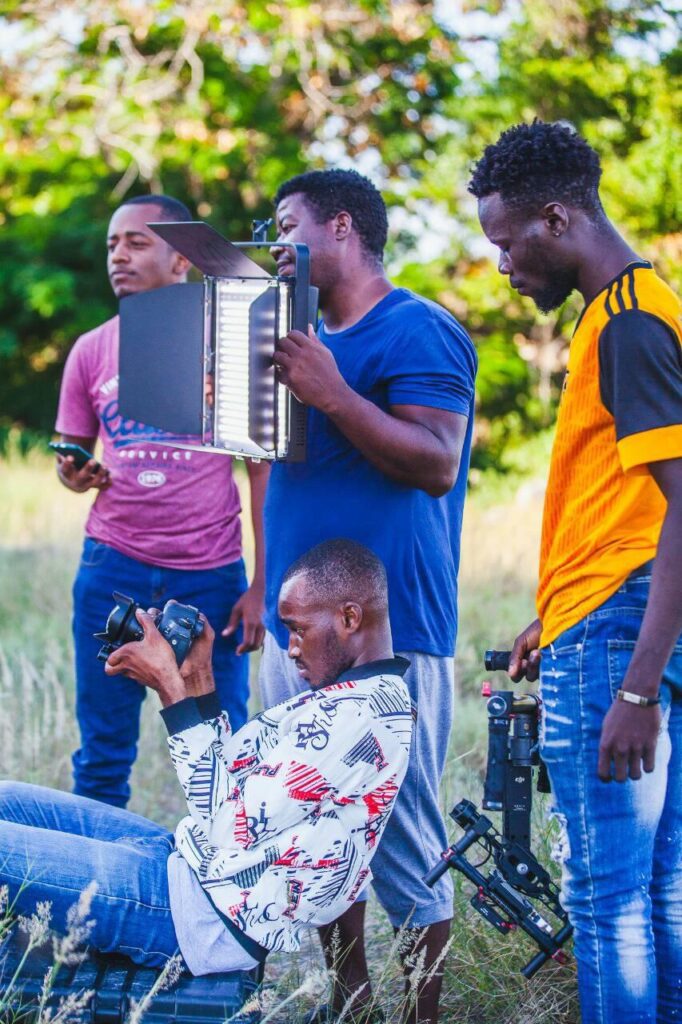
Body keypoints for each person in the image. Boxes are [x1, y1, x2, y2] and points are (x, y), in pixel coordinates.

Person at [469, 120, 682, 1023]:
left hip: (622, 639)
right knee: (659, 886)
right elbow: (628, 508)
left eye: (508, 242)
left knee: (606, 898)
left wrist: (636, 688)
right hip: (615, 614)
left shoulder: (629, 322)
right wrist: (551, 614)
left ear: (557, 219)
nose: (503, 266)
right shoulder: (632, 306)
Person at [263, 169, 477, 1024]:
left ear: (342, 227)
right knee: (319, 832)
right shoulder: (296, 337)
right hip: (295, 630)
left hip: (389, 632)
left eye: (288, 226)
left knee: (402, 835)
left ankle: (422, 1018)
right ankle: (351, 1007)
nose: (277, 246)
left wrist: (333, 392)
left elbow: (436, 462)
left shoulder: (419, 328)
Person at [0, 540, 413, 982]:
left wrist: (170, 689)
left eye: (298, 629)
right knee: (8, 800)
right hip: (187, 865)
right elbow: (234, 781)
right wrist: (197, 676)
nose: (292, 648)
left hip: (197, 915)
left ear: (349, 618)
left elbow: (230, 828)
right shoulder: (355, 697)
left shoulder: (359, 717)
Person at [54, 194, 269, 809]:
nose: (118, 256)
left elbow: (260, 471)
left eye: (136, 242)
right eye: (111, 245)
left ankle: (226, 865)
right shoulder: (92, 348)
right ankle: (92, 870)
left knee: (222, 747)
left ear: (182, 260)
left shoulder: (226, 345)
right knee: (103, 753)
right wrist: (76, 475)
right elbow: (71, 459)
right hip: (112, 566)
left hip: (210, 575)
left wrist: (261, 581)